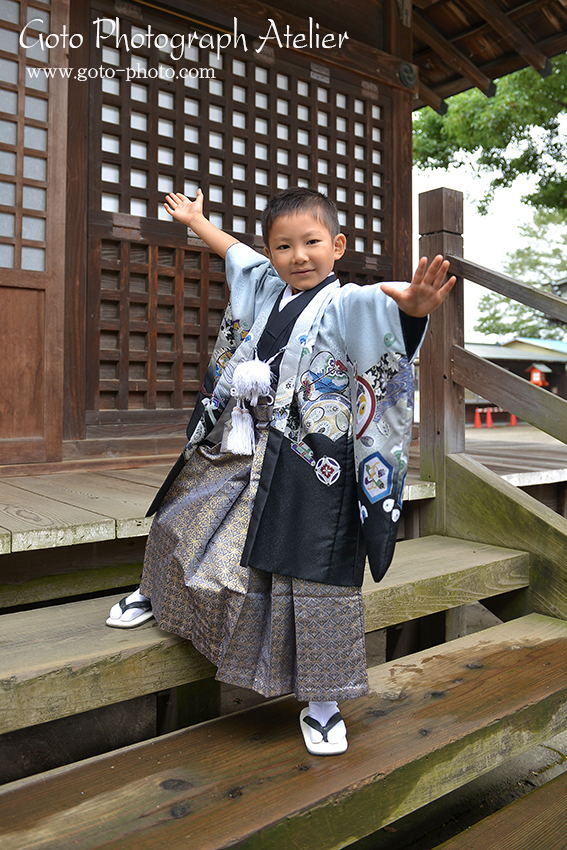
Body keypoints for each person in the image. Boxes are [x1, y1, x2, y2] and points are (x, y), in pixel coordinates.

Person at [107, 186, 455, 756]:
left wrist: (413, 308)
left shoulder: (346, 303)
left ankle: (323, 702)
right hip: (245, 439)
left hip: (310, 460)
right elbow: (236, 254)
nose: (299, 256)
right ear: (271, 253)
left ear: (337, 245)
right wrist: (196, 221)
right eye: (284, 246)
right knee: (182, 508)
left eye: (311, 243)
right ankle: (154, 592)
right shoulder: (268, 285)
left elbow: (384, 309)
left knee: (315, 573)